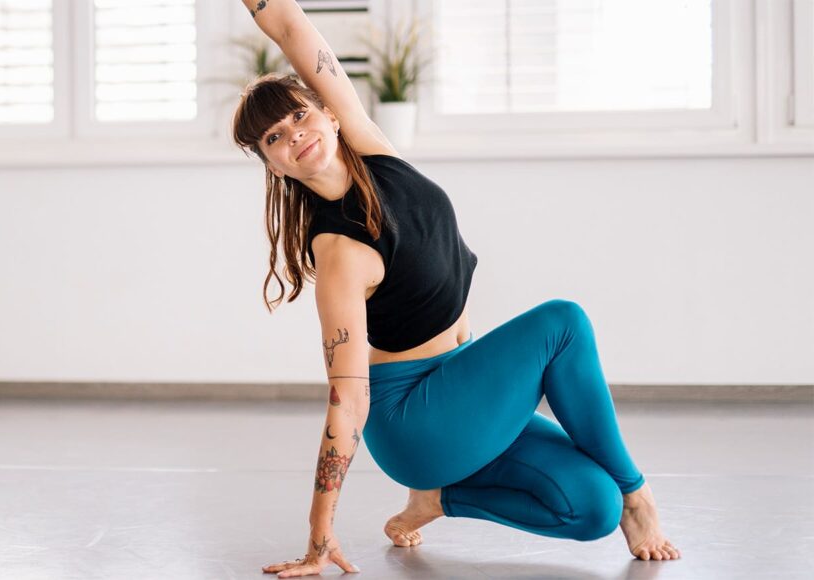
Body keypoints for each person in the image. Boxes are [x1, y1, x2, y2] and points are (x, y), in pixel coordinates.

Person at [233, 1, 681, 577]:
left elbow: (292, 28)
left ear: (329, 112)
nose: (294, 135)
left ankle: (436, 502)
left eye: (299, 117)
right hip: (416, 422)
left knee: (593, 509)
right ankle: (638, 495)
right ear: (272, 164)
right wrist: (320, 532)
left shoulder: (373, 148)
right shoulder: (339, 250)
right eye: (274, 137)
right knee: (561, 324)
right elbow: (348, 398)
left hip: (463, 390)